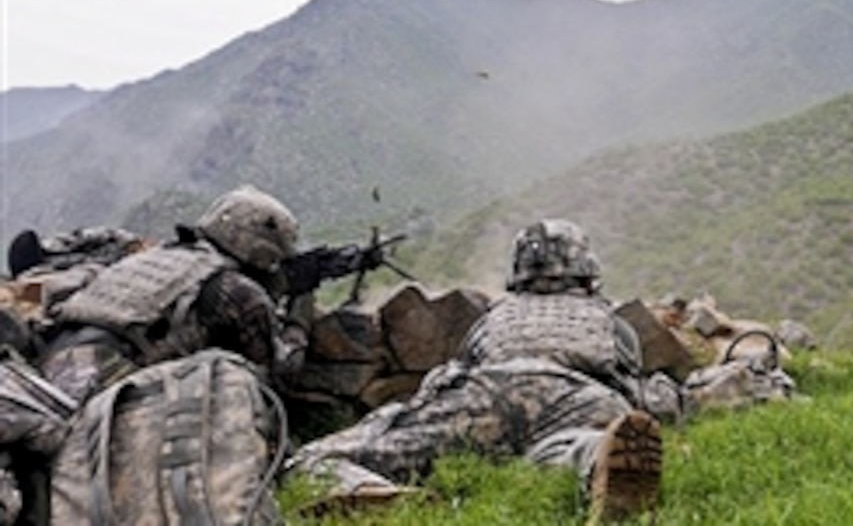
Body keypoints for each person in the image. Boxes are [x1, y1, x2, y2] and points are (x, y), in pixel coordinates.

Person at [288, 218, 686, 521]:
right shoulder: (609, 320)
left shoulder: (494, 318)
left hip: (487, 396)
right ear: (587, 269)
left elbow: (447, 378)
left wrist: (410, 414)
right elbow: (635, 391)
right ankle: (591, 458)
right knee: (553, 449)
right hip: (582, 399)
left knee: (312, 458)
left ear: (519, 271)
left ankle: (369, 487)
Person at [34, 184, 307, 405]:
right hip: (104, 388)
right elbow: (278, 378)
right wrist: (300, 317)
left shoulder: (155, 256)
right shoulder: (237, 290)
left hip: (47, 367)